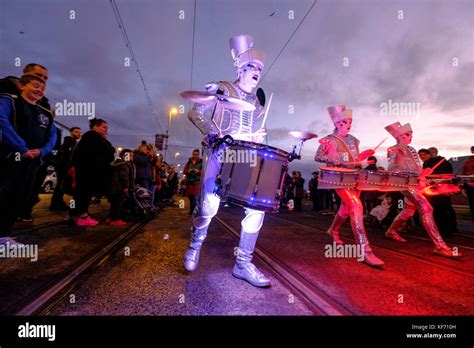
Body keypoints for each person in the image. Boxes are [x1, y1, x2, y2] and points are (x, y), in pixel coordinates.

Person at [184, 34, 271, 287]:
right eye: (252, 67)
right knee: (209, 204)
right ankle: (195, 245)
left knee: (256, 206)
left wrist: (259, 136)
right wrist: (210, 132)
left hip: (244, 155)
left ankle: (243, 263)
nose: (256, 72)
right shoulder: (223, 88)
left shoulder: (256, 101)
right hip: (220, 150)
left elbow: (255, 129)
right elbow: (194, 112)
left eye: (259, 69)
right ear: (241, 68)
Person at [314, 105, 384, 267]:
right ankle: (366, 251)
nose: (348, 125)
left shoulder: (353, 139)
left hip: (355, 177)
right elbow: (318, 156)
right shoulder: (329, 139)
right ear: (337, 124)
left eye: (350, 122)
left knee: (346, 209)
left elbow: (355, 158)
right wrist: (334, 160)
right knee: (356, 206)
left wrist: (364, 156)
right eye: (345, 122)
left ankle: (333, 230)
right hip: (339, 178)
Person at [383, 122, 461, 259]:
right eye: (407, 134)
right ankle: (440, 246)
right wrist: (411, 174)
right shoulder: (393, 150)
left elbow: (417, 168)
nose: (410, 137)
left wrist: (424, 172)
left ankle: (390, 231)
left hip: (416, 183)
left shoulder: (412, 149)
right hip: (405, 184)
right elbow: (392, 169)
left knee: (409, 210)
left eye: (411, 134)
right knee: (426, 208)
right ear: (398, 136)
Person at [0, 75, 56, 245]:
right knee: (3, 194)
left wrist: (42, 151)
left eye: (43, 88)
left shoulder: (45, 113)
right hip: (9, 157)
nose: (39, 90)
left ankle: (3, 235)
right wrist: (22, 148)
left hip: (33, 161)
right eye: (36, 85)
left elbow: (52, 135)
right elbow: (2, 122)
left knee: (19, 197)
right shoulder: (10, 101)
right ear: (22, 86)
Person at [71, 118, 115, 227]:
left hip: (86, 171)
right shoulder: (92, 136)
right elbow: (108, 151)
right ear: (95, 126)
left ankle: (73, 214)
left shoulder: (90, 137)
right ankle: (83, 217)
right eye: (104, 127)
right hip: (88, 172)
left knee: (80, 195)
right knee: (84, 194)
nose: (106, 130)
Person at [418, 148, 458, 238]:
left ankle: (443, 231)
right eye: (420, 155)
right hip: (442, 188)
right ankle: (450, 229)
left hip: (437, 189)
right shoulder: (441, 161)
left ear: (429, 154)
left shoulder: (433, 163)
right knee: (445, 209)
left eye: (424, 154)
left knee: (439, 210)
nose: (422, 157)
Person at [50, 127, 82, 210]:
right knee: (60, 186)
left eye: (79, 132)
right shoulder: (69, 142)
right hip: (64, 168)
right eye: (76, 132)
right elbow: (66, 156)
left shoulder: (73, 142)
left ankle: (57, 203)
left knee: (61, 186)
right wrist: (67, 167)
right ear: (71, 132)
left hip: (65, 168)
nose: (79, 134)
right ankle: (55, 204)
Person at [109, 149, 135, 226]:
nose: (132, 157)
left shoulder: (118, 163)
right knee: (118, 204)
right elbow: (124, 175)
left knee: (114, 203)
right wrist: (126, 186)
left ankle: (111, 218)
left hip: (115, 186)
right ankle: (116, 219)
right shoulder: (125, 164)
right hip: (120, 187)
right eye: (131, 155)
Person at [183, 149, 203, 215]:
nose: (195, 156)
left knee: (195, 196)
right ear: (192, 154)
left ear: (198, 155)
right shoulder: (189, 162)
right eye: (194, 154)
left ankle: (193, 210)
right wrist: (188, 171)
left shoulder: (201, 162)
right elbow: (184, 171)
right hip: (189, 182)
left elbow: (204, 171)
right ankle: (192, 208)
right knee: (190, 196)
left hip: (197, 182)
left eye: (196, 154)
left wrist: (198, 171)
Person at [461, 146, 474, 221]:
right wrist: (464, 187)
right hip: (470, 187)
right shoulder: (467, 163)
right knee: (472, 205)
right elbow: (463, 175)